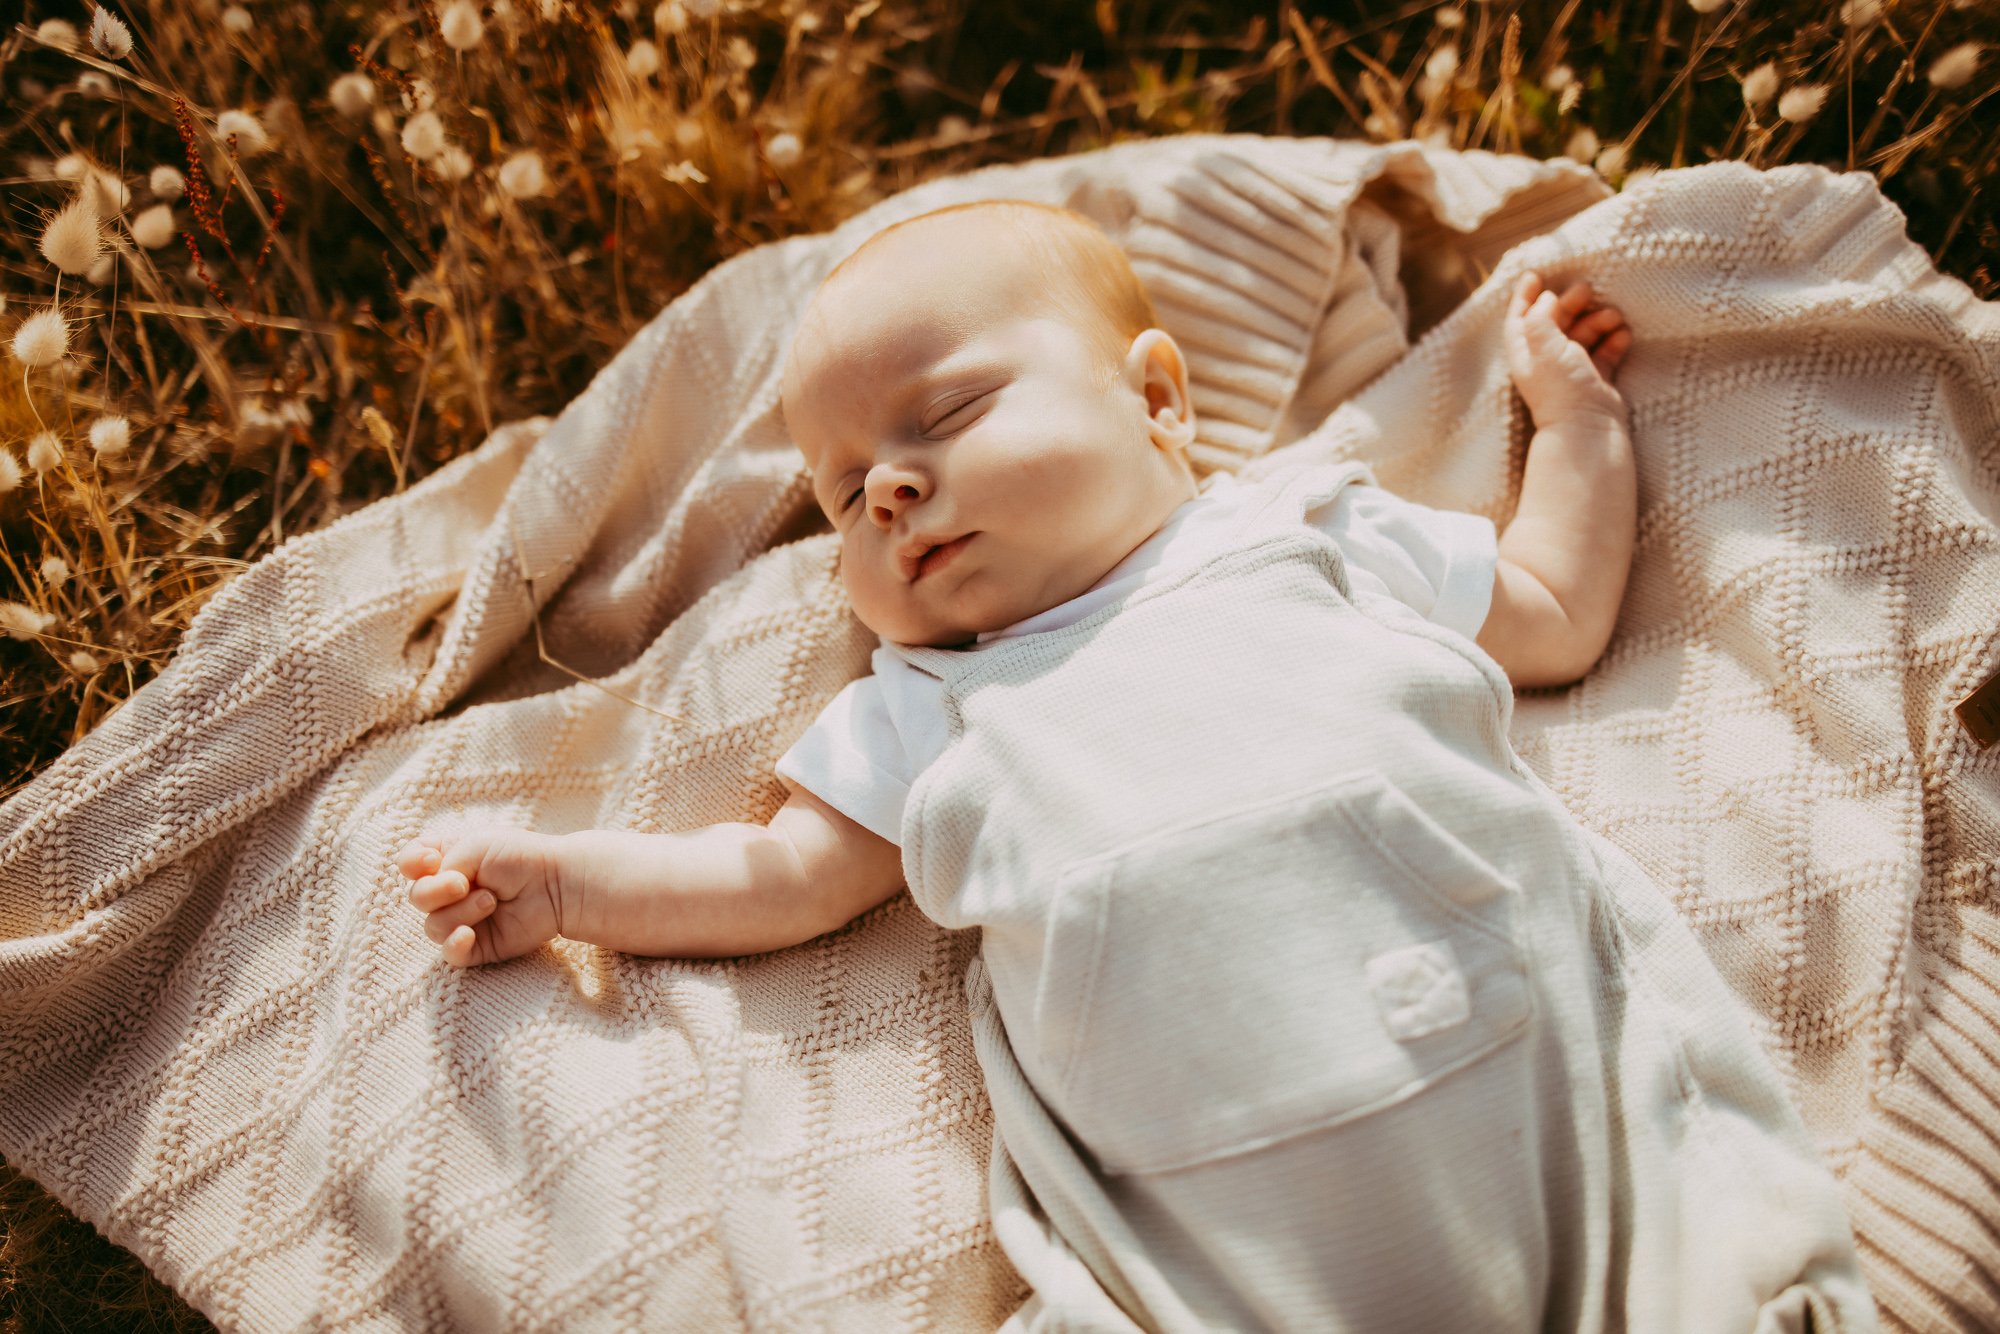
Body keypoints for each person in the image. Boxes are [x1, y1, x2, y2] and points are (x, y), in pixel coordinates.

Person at [395, 201, 1876, 1331]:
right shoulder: (928, 698)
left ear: (1157, 398)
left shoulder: (1308, 532)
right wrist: (568, 883)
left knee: (1693, 1246)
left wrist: (1577, 424)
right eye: (847, 494)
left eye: (950, 413)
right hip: (1209, 1191)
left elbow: (1553, 610)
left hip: (1504, 1057)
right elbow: (781, 875)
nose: (894, 486)